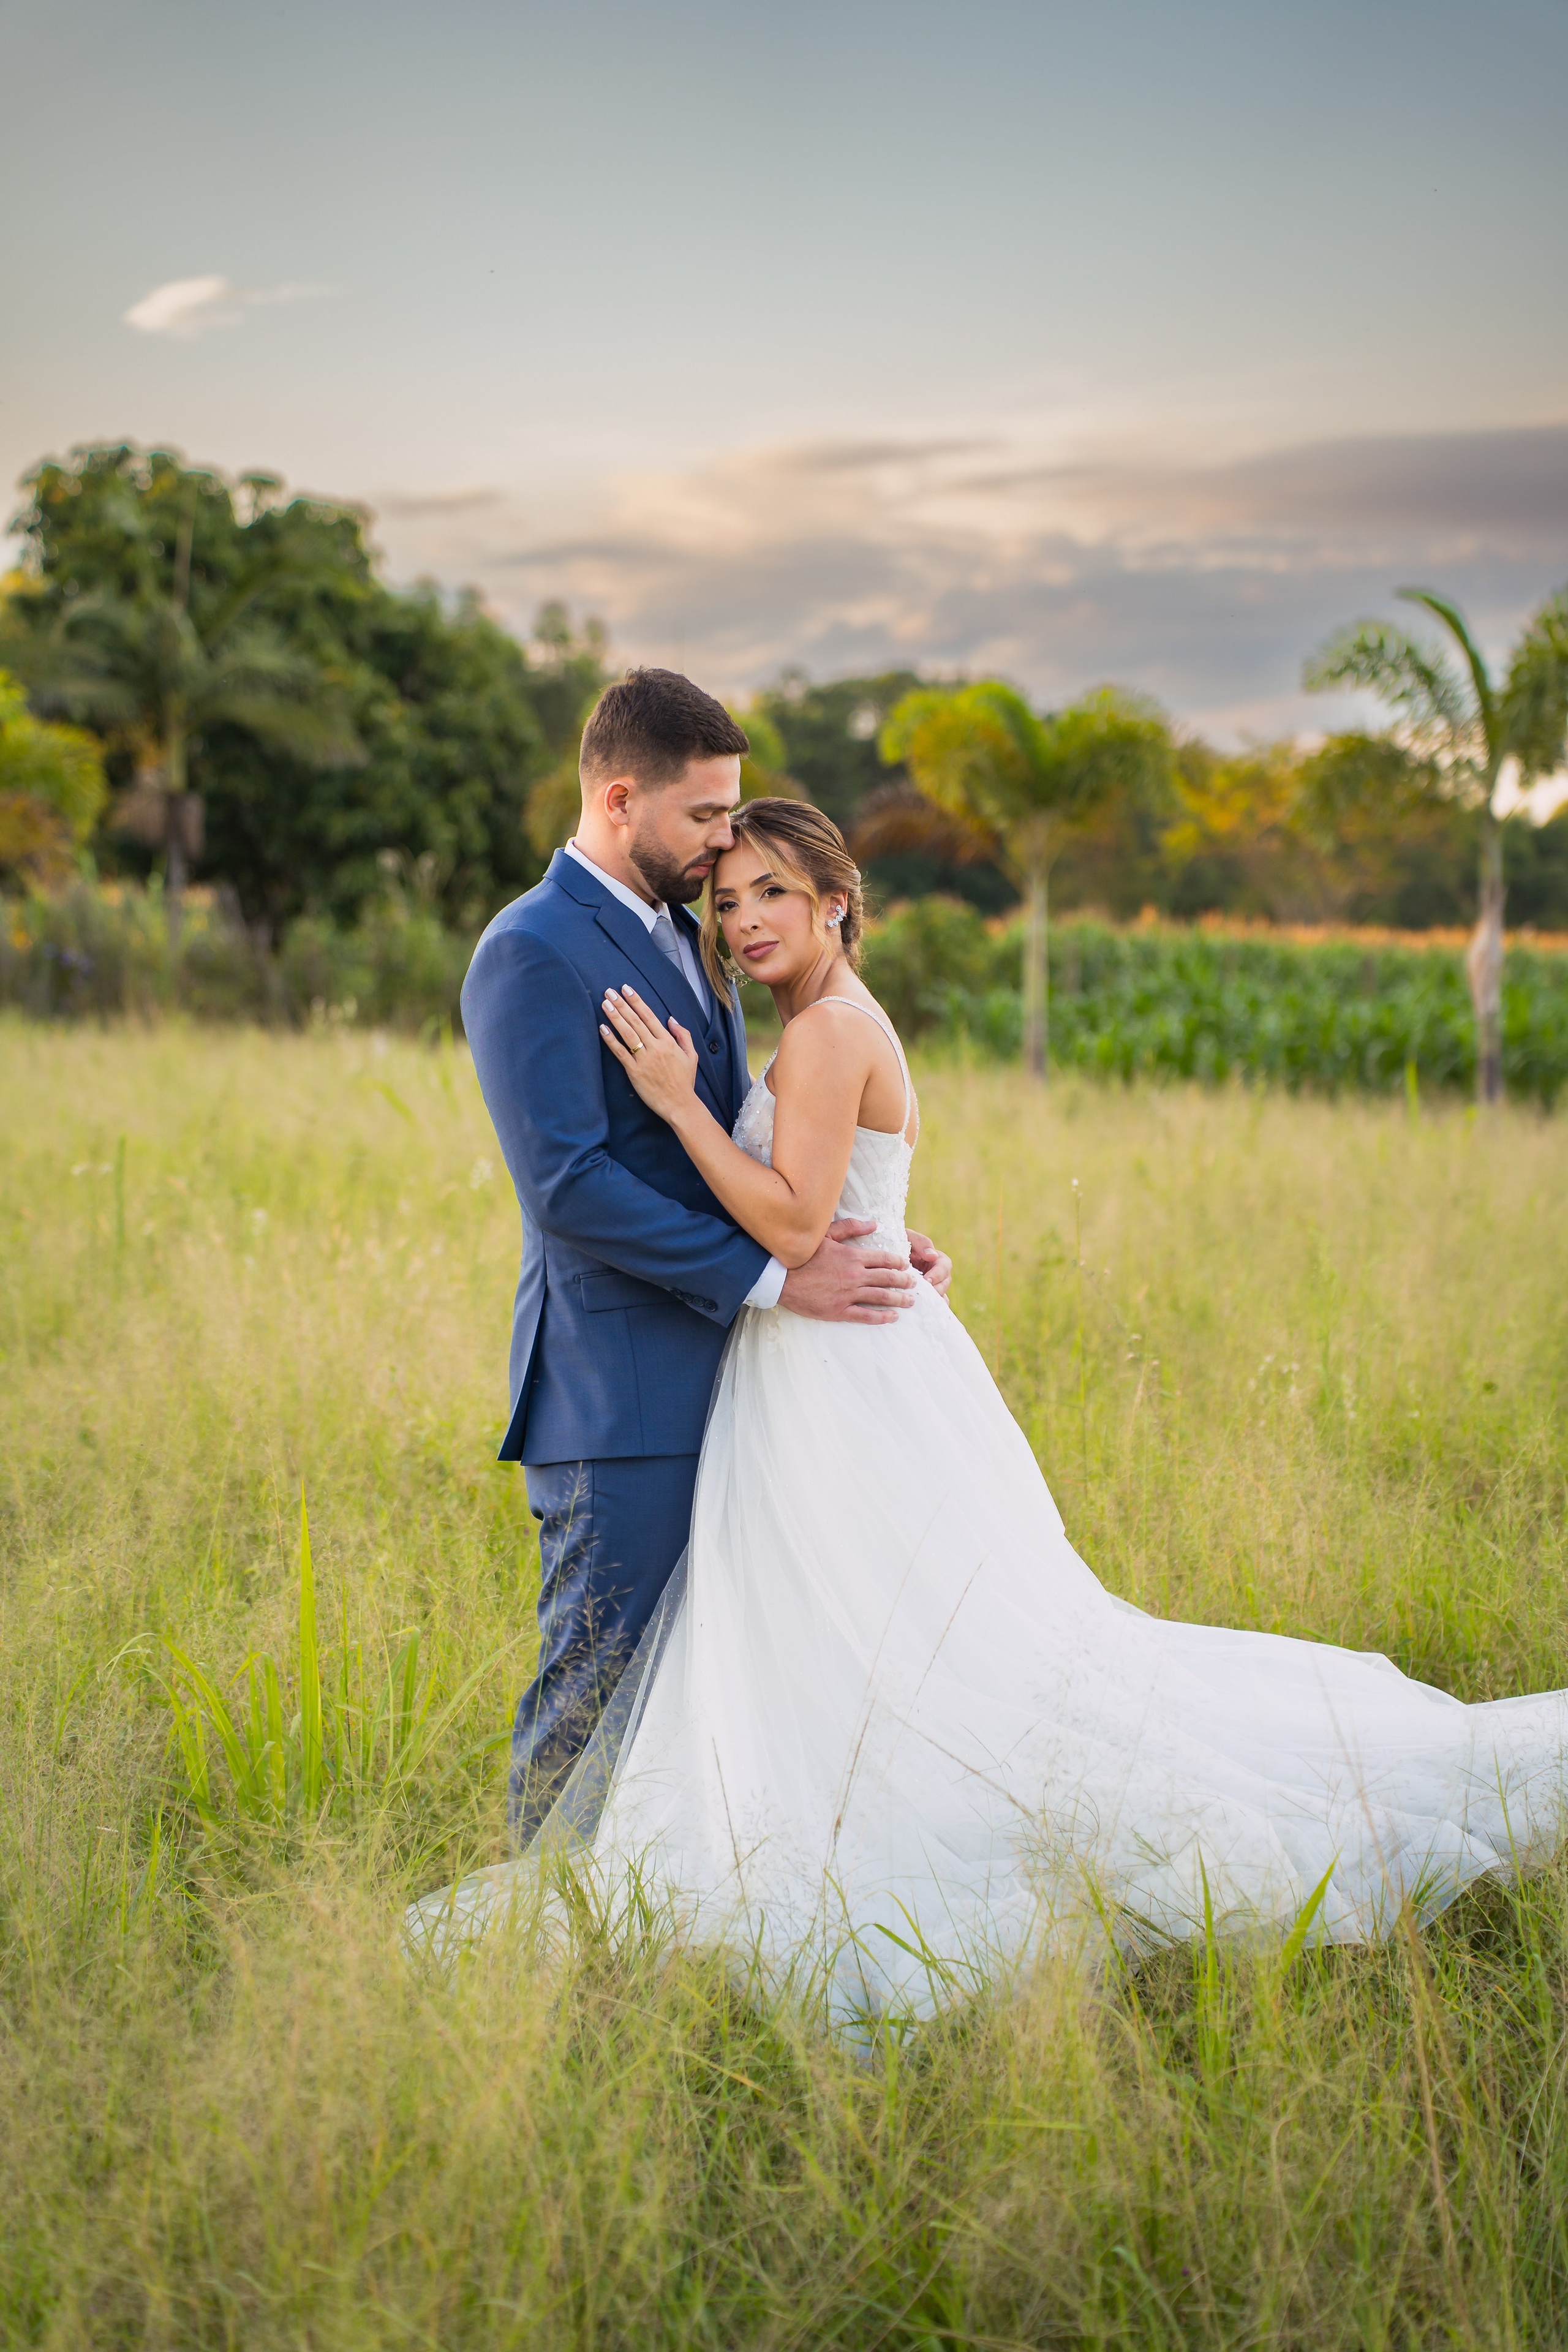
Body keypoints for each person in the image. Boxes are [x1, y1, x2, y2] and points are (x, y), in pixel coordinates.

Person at [419, 795, 1568, 2021]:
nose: (741, 919)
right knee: (864, 1630)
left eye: (768, 892)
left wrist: (680, 1103)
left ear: (833, 901)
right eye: (726, 898)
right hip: (833, 1352)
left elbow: (797, 1224)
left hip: (833, 1366)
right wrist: (872, 1229)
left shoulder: (819, 1034)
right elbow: (826, 1199)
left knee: (889, 1633)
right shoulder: (822, 1018)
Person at [458, 670, 952, 1843]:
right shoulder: (531, 950)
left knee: (715, 1702)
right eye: (705, 819)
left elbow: (751, 1149)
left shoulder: (690, 935)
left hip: (747, 1392)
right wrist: (786, 1276)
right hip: (618, 1401)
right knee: (596, 1691)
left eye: (738, 824)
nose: (724, 846)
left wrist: (862, 1235)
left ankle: (653, 1939)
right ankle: (539, 1948)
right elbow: (568, 1186)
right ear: (621, 798)